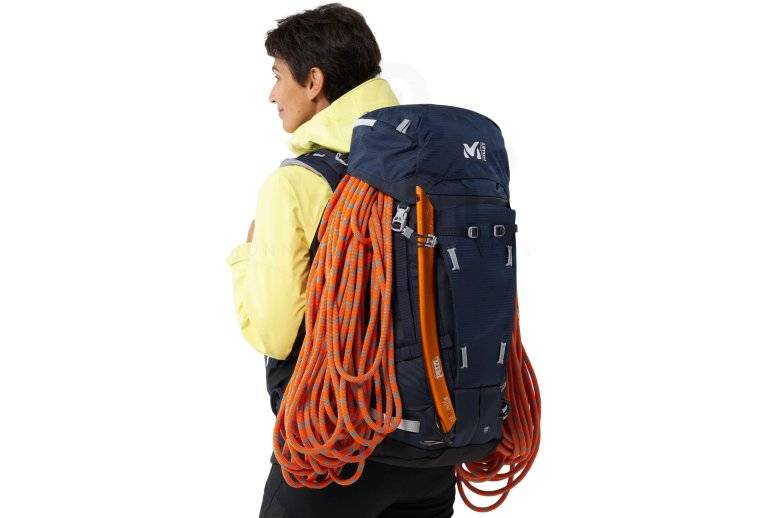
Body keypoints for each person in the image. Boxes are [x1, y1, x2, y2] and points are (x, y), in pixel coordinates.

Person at [225, 4, 457, 518]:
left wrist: (245, 258)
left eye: (277, 76)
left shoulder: (296, 183)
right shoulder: (432, 170)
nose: (271, 95)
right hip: (434, 449)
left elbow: (275, 333)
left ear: (314, 81)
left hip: (334, 446)